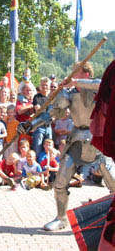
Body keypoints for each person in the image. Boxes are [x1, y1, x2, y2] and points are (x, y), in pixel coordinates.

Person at [18, 62, 115, 231]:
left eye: (75, 71)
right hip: (76, 139)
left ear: (85, 73)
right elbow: (51, 115)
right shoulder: (68, 93)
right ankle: (61, 218)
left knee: (113, 183)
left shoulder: (98, 86)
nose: (71, 75)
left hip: (97, 139)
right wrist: (30, 125)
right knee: (60, 183)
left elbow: (100, 85)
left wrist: (75, 82)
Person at [31, 77, 52, 157]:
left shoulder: (51, 98)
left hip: (49, 126)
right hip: (39, 127)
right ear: (40, 86)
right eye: (43, 85)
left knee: (49, 151)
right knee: (37, 149)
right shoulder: (37, 97)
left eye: (46, 85)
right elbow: (38, 110)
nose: (44, 87)